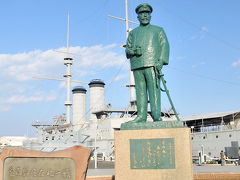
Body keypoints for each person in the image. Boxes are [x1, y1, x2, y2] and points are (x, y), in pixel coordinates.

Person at [126, 3, 169, 123]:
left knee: (154, 90)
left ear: (150, 16)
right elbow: (127, 50)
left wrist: (161, 60)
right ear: (138, 17)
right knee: (140, 91)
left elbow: (165, 45)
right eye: (141, 14)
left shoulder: (158, 30)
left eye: (147, 13)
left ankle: (156, 116)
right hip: (137, 64)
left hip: (153, 64)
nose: (144, 16)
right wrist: (134, 50)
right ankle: (141, 116)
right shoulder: (133, 33)